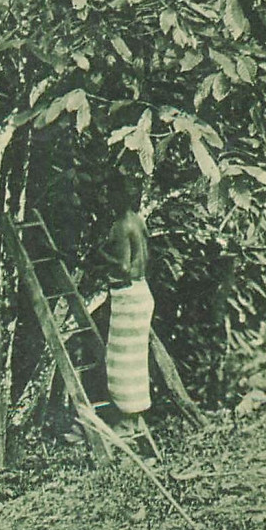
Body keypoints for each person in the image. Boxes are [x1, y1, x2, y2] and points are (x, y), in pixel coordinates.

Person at [101, 176, 155, 434]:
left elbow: (122, 266)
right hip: (142, 291)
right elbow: (146, 256)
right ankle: (134, 417)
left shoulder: (121, 225)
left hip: (128, 295)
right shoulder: (138, 219)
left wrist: (99, 255)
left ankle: (127, 420)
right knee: (135, 361)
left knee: (120, 361)